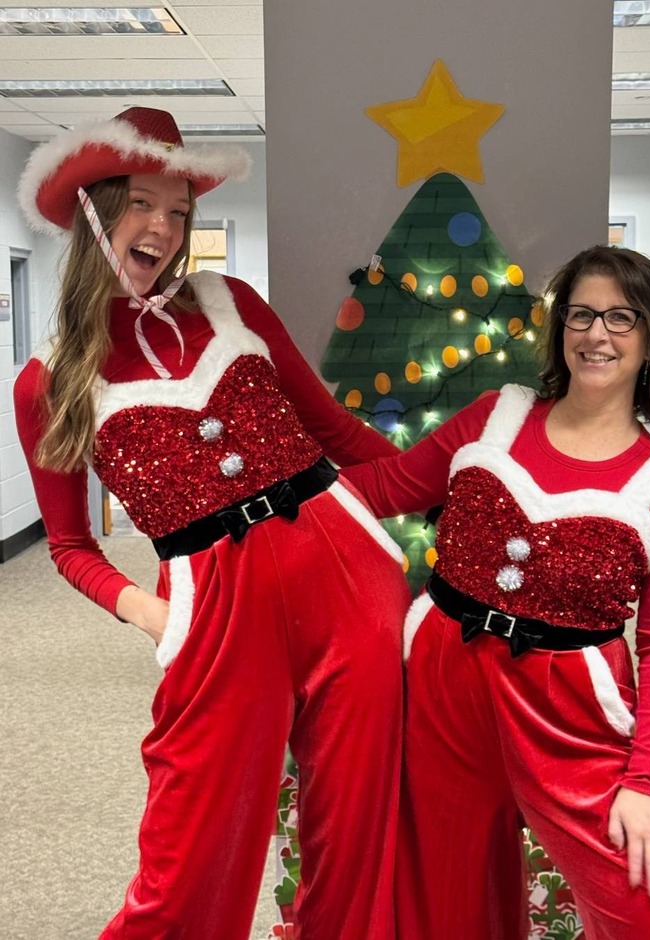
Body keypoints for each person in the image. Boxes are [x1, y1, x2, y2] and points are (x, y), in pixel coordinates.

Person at [13, 106, 411, 940]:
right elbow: (71, 545)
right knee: (191, 847)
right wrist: (156, 614)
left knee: (351, 827)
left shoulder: (232, 303)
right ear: (96, 214)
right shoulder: (47, 382)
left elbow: (337, 436)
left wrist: (460, 487)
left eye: (181, 210)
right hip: (214, 606)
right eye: (144, 206)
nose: (165, 227)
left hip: (342, 569)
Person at [342, 245, 650, 939]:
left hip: (570, 708)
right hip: (443, 681)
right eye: (581, 314)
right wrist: (270, 490)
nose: (596, 334)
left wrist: (647, 783)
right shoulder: (494, 417)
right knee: (447, 904)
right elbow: (382, 489)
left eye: (621, 317)